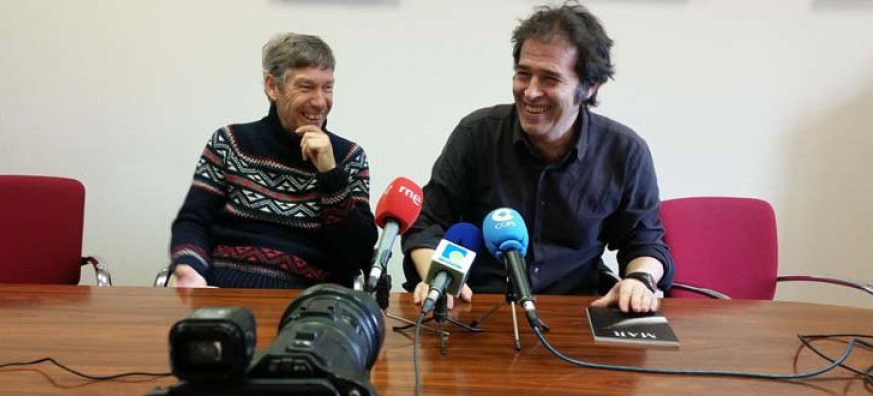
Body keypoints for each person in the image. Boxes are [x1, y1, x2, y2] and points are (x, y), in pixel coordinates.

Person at [401, 2, 673, 313]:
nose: (530, 92)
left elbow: (644, 241)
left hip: (575, 311)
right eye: (523, 74)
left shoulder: (625, 152)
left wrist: (640, 280)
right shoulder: (477, 134)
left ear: (589, 86)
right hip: (477, 307)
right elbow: (427, 222)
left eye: (549, 79)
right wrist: (438, 280)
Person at [169, 33, 376, 289]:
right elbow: (194, 219)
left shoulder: (349, 157)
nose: (319, 101)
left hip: (304, 306)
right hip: (223, 292)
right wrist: (191, 268)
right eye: (306, 87)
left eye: (327, 87)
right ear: (272, 87)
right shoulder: (230, 142)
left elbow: (358, 255)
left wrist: (330, 174)